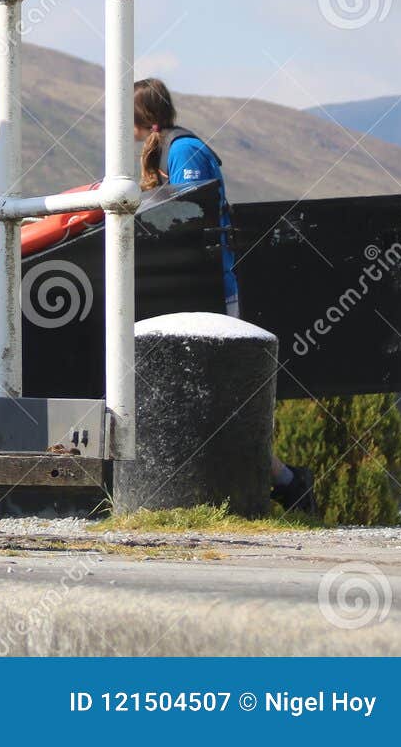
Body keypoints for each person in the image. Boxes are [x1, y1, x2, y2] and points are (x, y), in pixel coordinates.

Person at [133, 77, 315, 512]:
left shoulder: (184, 151)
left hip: (211, 288)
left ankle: (287, 482)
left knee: (226, 398)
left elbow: (189, 213)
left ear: (148, 118)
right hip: (190, 289)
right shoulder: (169, 149)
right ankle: (279, 483)